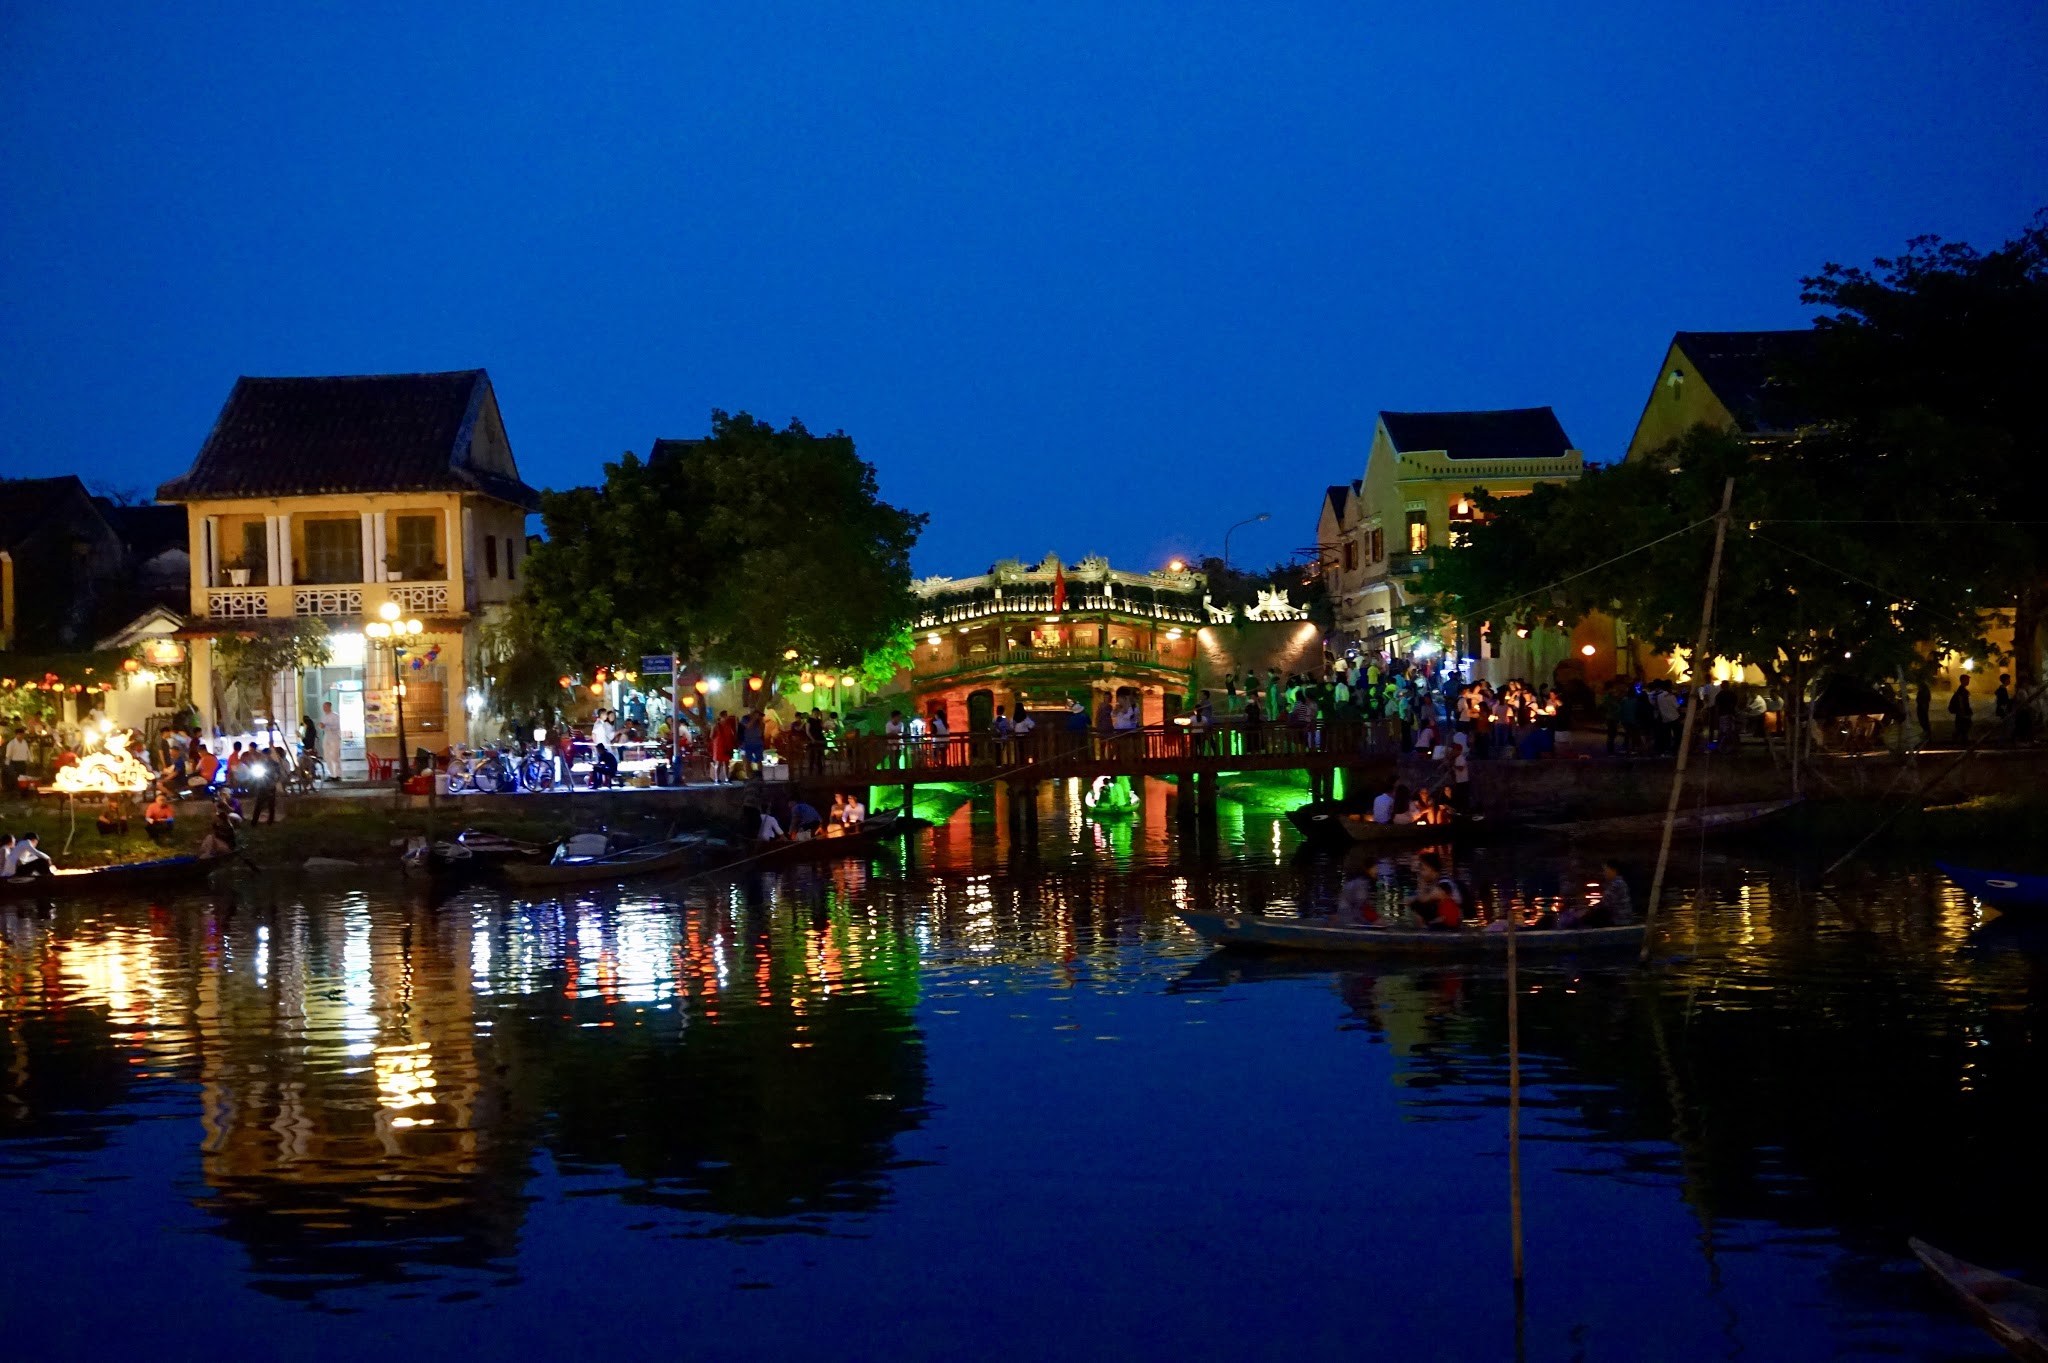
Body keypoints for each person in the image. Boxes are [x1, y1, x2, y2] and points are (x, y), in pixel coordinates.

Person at [1407, 851, 1464, 930]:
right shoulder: (1432, 883)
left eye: (1423, 869)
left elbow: (1423, 899)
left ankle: (1427, 927)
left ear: (1432, 869)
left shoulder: (1444, 883)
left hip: (1450, 920)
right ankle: (1423, 927)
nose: (1420, 872)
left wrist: (1421, 880)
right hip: (1440, 916)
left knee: (1417, 903)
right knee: (1413, 901)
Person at [709, 710, 736, 784]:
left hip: (727, 745)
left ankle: (726, 778)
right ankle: (717, 779)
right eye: (726, 716)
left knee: (726, 763)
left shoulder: (728, 725)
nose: (727, 717)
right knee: (718, 763)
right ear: (722, 716)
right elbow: (711, 736)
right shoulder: (716, 725)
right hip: (719, 746)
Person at [318, 701, 343, 778]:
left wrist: (326, 726)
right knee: (327, 756)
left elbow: (336, 727)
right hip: (327, 736)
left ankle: (337, 774)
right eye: (323, 707)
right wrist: (322, 726)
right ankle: (331, 773)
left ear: (329, 707)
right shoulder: (324, 717)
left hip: (334, 737)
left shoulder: (335, 716)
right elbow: (322, 726)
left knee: (334, 756)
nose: (324, 708)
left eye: (325, 706)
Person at [1949, 676, 1973, 744]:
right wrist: (1964, 714)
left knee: (1962, 729)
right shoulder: (1961, 691)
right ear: (1962, 680)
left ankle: (1960, 743)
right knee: (1962, 729)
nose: (1968, 681)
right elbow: (1961, 703)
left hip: (1962, 714)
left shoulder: (1962, 691)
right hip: (1962, 714)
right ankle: (1959, 743)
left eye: (1968, 680)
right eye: (1966, 680)